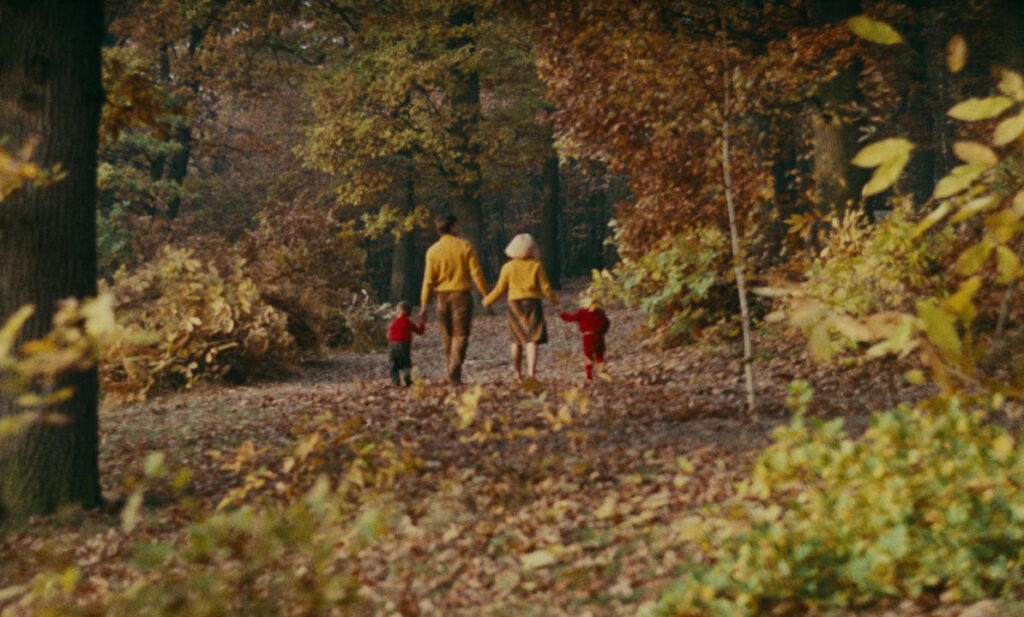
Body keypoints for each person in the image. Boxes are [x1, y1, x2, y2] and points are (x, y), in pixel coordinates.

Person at [420, 213, 489, 385]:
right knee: (461, 335)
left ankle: (451, 371)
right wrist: (485, 294)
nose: (458, 228)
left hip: (441, 297)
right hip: (461, 295)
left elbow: (428, 281)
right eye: (457, 225)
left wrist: (424, 304)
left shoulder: (432, 251)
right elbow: (476, 273)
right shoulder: (465, 246)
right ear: (452, 227)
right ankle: (454, 370)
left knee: (446, 335)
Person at [482, 233, 560, 380]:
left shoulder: (508, 267)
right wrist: (556, 303)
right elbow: (545, 288)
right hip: (533, 303)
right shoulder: (537, 265)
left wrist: (488, 301)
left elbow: (500, 289)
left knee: (516, 339)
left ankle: (517, 373)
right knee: (532, 339)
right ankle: (531, 373)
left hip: (515, 305)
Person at [560, 296, 610, 381]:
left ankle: (589, 376)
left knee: (588, 356)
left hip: (588, 337)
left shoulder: (582, 312)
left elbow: (570, 318)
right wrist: (602, 332)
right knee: (599, 355)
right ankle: (601, 372)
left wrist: (562, 314)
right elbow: (607, 323)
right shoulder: (600, 312)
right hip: (599, 336)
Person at [387, 301, 425, 386]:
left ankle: (395, 381)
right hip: (404, 344)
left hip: (393, 344)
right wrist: (422, 320)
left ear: (398, 311)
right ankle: (407, 379)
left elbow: (389, 334)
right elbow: (420, 331)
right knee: (405, 363)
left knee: (394, 363)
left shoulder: (393, 322)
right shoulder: (408, 323)